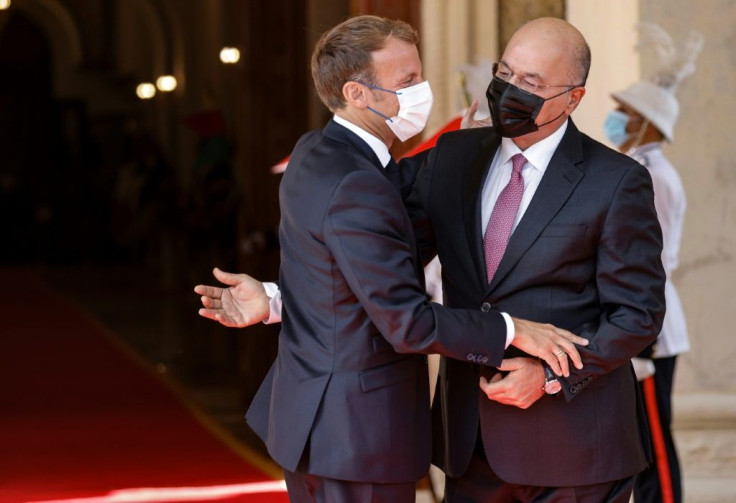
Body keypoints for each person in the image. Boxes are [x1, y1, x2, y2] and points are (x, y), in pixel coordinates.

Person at [198, 16, 666, 502]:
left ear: (573, 97)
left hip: (573, 447)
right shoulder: (455, 155)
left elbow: (638, 315)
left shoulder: (617, 181)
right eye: (504, 73)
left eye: (530, 82)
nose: (509, 90)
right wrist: (278, 297)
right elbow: (372, 257)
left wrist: (551, 375)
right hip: (469, 441)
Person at [603, 22, 702, 503]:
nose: (615, 118)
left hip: (653, 330)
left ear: (644, 122)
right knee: (643, 440)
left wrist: (640, 338)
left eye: (623, 112)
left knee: (655, 445)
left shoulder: (653, 177)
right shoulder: (642, 170)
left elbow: (651, 261)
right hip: (646, 325)